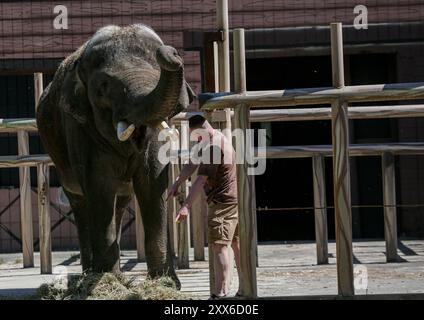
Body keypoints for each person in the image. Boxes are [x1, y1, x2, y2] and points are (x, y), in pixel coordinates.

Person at [167, 115, 241, 299]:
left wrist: (186, 207)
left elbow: (200, 180)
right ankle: (243, 287)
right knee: (234, 244)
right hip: (230, 201)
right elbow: (192, 163)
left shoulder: (214, 147)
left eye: (196, 136)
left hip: (222, 203)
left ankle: (221, 293)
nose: (196, 140)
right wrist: (177, 182)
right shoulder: (212, 139)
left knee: (219, 246)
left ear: (202, 130)